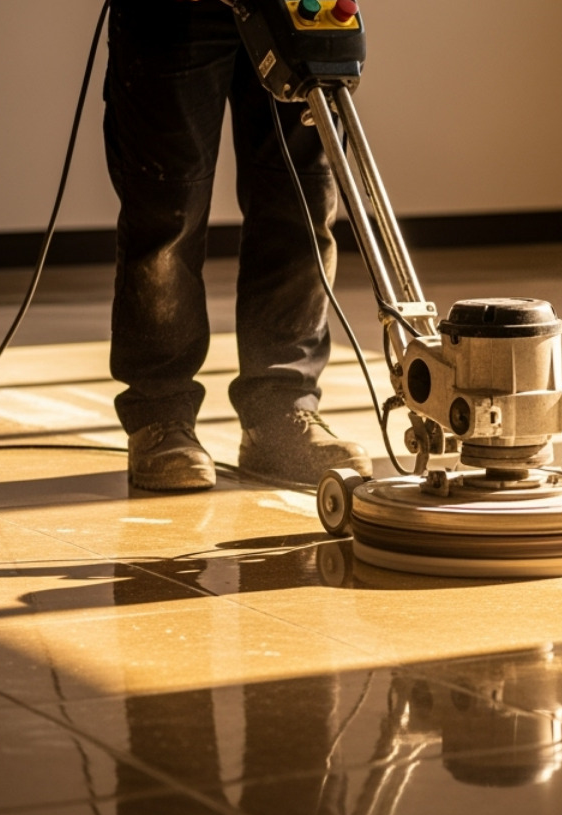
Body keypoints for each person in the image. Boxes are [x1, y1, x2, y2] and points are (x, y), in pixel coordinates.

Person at [104, 0, 372, 491]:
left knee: (301, 202)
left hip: (295, 6)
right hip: (176, 9)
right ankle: (160, 416)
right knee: (168, 209)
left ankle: (279, 412)